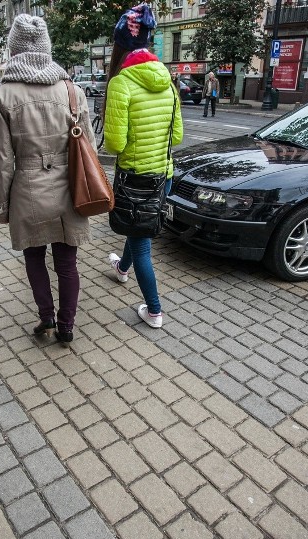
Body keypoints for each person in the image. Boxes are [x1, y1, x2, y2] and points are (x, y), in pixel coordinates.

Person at [0, 14, 95, 345]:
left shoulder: (3, 95)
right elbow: (88, 146)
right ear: (47, 48)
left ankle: (46, 320)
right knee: (67, 262)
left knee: (34, 257)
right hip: (70, 187)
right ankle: (67, 327)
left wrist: (2, 204)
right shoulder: (72, 91)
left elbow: (0, 159)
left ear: (13, 49)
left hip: (28, 187)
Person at [104, 3, 183, 329]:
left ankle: (154, 311)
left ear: (120, 46)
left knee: (143, 244)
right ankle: (122, 269)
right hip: (163, 176)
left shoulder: (121, 83)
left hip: (135, 180)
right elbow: (176, 135)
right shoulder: (168, 82)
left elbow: (114, 145)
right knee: (138, 231)